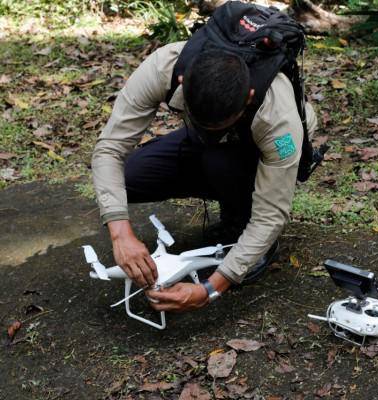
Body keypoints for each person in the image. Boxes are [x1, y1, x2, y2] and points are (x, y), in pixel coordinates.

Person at [91, 3, 317, 314]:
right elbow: (109, 148)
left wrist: (210, 288)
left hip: (254, 145)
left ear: (248, 97)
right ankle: (214, 163)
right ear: (184, 82)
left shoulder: (277, 120)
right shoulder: (166, 65)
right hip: (202, 139)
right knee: (129, 177)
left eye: (219, 126)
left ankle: (240, 222)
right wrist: (120, 232)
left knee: (220, 162)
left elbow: (271, 214)